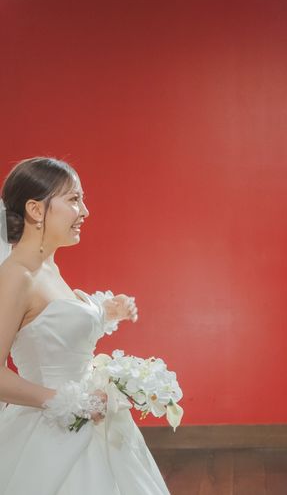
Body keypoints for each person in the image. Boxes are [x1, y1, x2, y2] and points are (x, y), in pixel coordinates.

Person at [0, 157, 170, 494]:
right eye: (74, 199)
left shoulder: (47, 267)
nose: (85, 211)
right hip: (48, 433)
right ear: (36, 209)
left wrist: (104, 312)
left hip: (94, 421)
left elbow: (46, 328)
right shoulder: (17, 275)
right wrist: (69, 402)